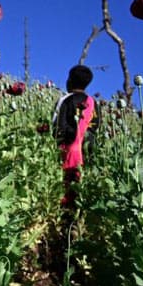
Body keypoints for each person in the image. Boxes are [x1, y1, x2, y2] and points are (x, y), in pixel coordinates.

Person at [51, 65, 100, 209]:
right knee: (79, 186)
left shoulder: (65, 100)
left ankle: (65, 216)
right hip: (86, 150)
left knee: (65, 186)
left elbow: (57, 125)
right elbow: (95, 126)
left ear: (70, 81)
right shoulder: (93, 102)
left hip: (67, 149)